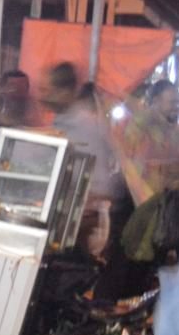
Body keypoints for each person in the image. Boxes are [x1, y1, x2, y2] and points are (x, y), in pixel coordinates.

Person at [41, 63, 125, 247]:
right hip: (66, 216)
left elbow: (103, 184)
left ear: (65, 92)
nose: (42, 96)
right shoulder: (58, 123)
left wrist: (87, 205)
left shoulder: (86, 125)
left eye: (47, 90)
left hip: (86, 223)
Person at [119, 79, 179, 202]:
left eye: (178, 103)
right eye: (172, 103)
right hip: (143, 201)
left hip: (166, 199)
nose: (177, 108)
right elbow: (136, 168)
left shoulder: (174, 130)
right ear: (156, 101)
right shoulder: (139, 127)